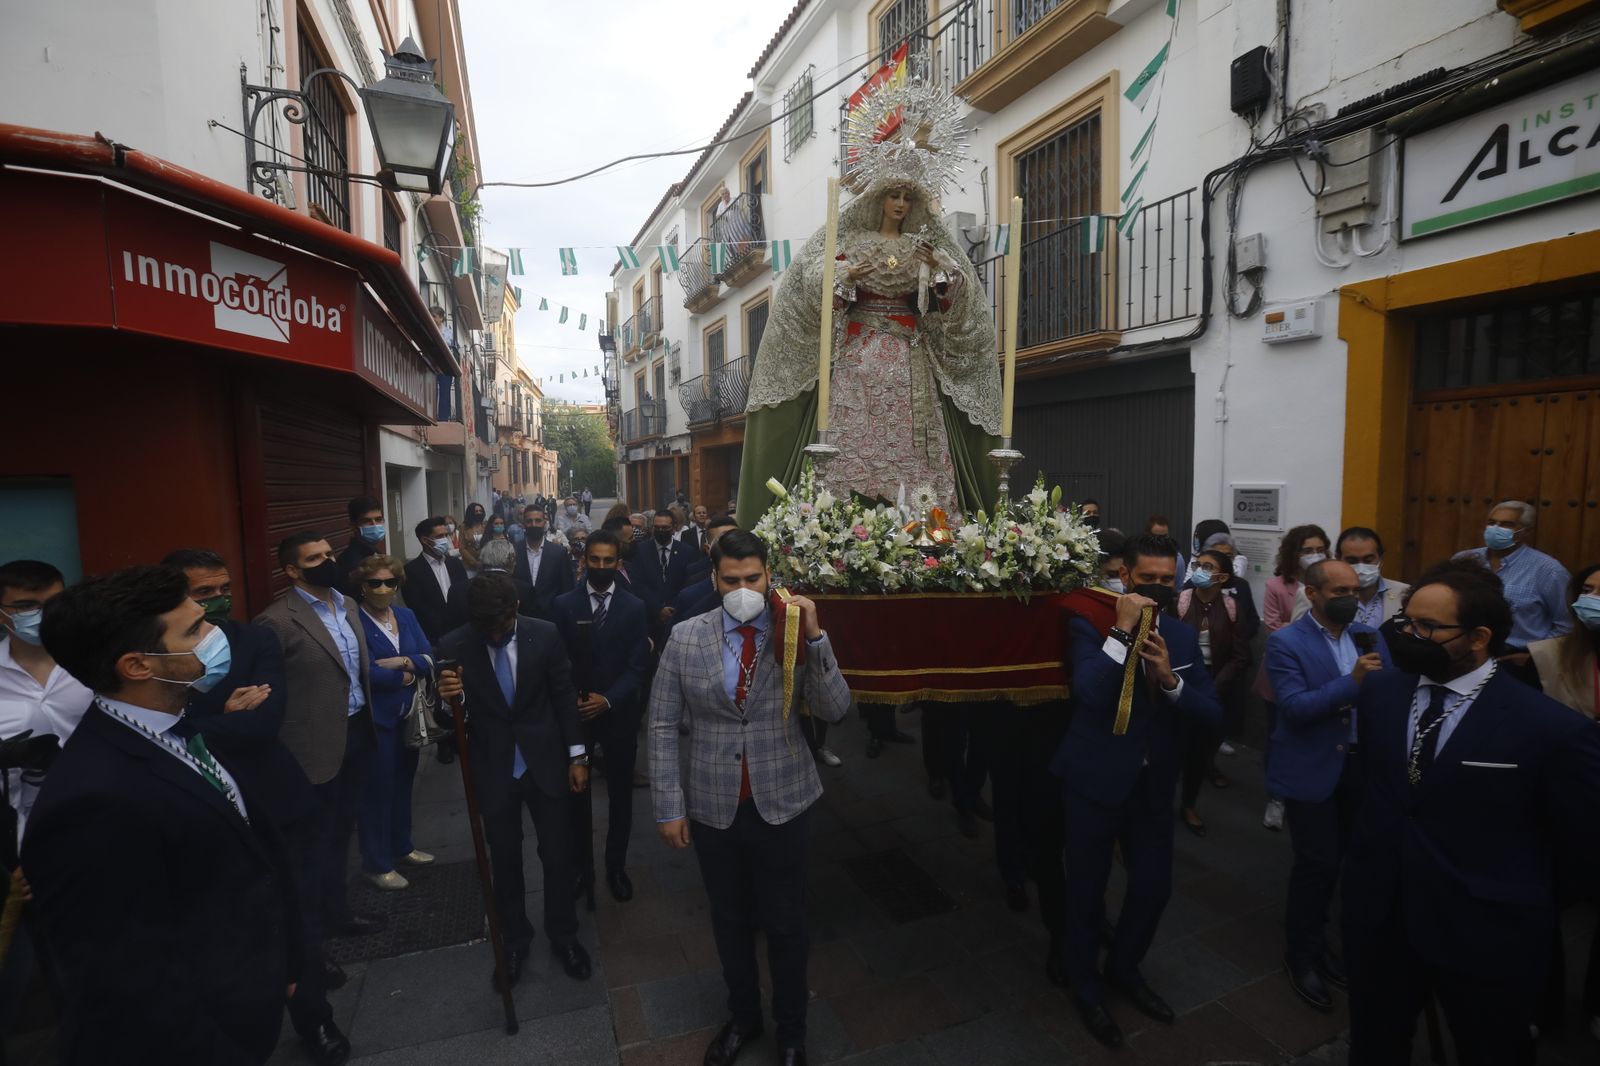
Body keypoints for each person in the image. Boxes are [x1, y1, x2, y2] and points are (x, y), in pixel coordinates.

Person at [25, 565, 297, 1064]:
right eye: (194, 630)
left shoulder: (175, 728)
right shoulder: (92, 803)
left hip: (247, 997)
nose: (215, 631)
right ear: (136, 665)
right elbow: (127, 980)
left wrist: (285, 962)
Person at [1344, 560, 1600, 1064]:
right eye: (1406, 622)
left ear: (1479, 637)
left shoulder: (1548, 727)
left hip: (1484, 934)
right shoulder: (1379, 693)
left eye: (1428, 627)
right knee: (1374, 1044)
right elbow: (1379, 791)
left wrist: (1513, 900)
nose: (1408, 636)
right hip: (1381, 919)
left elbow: (1581, 845)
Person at [735, 73, 1002, 528]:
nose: (900, 203)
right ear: (878, 198)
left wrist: (939, 273)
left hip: (911, 360)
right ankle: (841, 525)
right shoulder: (851, 240)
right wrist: (843, 276)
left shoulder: (926, 245)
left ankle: (929, 524)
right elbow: (812, 283)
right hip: (857, 357)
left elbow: (953, 300)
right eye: (893, 195)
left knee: (915, 440)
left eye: (907, 197)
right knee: (852, 433)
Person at [649, 531, 851, 1066]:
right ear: (714, 580)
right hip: (713, 805)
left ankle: (792, 1033)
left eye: (753, 579)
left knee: (786, 923)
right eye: (732, 580)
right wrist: (669, 805)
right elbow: (662, 723)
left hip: (783, 800)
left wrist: (816, 637)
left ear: (769, 576)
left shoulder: (792, 631)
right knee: (730, 921)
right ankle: (743, 1017)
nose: (743, 589)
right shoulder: (686, 637)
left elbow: (834, 709)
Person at [162, 548, 346, 1065]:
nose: (219, 600)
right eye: (204, 593)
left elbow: (263, 722)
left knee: (300, 910)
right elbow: (154, 731)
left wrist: (194, 722)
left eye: (224, 589)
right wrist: (217, 717)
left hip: (275, 800)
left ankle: (315, 1017)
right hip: (202, 810)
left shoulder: (253, 640)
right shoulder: (153, 652)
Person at [1050, 533, 1222, 1048]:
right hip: (1095, 780)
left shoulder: (1182, 637)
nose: (1159, 587)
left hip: (1152, 787)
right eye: (1148, 578)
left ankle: (1124, 968)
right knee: (1085, 892)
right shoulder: (1089, 623)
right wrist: (1121, 632)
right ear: (1125, 576)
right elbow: (1090, 692)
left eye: (1168, 579)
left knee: (1153, 888)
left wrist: (1170, 681)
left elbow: (1213, 715)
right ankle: (1086, 988)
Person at [435, 573, 593, 984]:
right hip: (494, 767)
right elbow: (447, 720)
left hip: (546, 762)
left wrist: (578, 756)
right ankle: (515, 940)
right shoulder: (454, 646)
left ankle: (564, 935)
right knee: (504, 860)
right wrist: (448, 698)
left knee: (558, 857)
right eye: (484, 627)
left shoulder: (545, 634)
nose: (493, 634)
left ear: (516, 609)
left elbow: (564, 696)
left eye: (501, 625)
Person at [1265, 559, 1390, 1012]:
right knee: (1316, 865)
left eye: (1355, 591)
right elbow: (1296, 709)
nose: (1350, 599)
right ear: (1313, 593)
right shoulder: (1286, 642)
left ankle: (1326, 946)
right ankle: (1301, 955)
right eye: (1340, 591)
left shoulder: (1368, 636)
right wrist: (1352, 682)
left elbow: (1387, 693)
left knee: (1349, 862)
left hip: (1360, 767)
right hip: (1312, 767)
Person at [255, 533, 383, 943]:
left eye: (329, 554)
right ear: (292, 571)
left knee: (343, 830)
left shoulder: (348, 605)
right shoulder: (276, 621)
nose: (329, 562)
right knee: (312, 843)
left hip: (357, 731)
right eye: (315, 559)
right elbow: (271, 693)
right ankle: (309, 937)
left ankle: (337, 912)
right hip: (311, 749)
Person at [550, 531, 650, 904]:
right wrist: (576, 700)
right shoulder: (563, 605)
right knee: (576, 795)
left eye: (609, 561)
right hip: (577, 713)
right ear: (584, 561)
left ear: (618, 563)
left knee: (621, 795)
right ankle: (583, 869)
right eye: (595, 560)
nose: (602, 566)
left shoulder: (634, 607)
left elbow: (638, 666)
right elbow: (557, 662)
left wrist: (607, 700)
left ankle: (615, 867)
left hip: (617, 712)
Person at [1529, 564, 1600, 1040]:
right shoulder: (1549, 655)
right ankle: (1540, 1003)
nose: (1591, 599)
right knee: (1542, 904)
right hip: (1561, 801)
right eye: (1587, 590)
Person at [350, 555, 433, 892]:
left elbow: (428, 656)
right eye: (375, 583)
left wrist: (401, 662)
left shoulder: (406, 615)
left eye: (390, 582)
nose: (383, 589)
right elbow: (365, 670)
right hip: (377, 720)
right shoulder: (354, 621)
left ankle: (402, 846)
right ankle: (376, 863)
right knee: (376, 791)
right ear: (362, 586)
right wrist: (405, 676)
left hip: (409, 716)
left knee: (403, 784)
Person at [0, 561, 90, 842]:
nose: (42, 614)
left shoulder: (97, 662)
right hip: (22, 823)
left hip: (99, 803)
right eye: (26, 606)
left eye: (53, 603)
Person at [1254, 524, 1331, 831]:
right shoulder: (1277, 586)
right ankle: (1276, 797)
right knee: (1278, 736)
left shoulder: (1330, 582)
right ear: (1293, 553)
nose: (1314, 555)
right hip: (1282, 671)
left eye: (1320, 549)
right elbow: (1273, 629)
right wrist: (1301, 622)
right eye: (1307, 550)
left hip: (1320, 671)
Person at [1175, 549, 1252, 837]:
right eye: (1198, 564)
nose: (1199, 570)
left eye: (1208, 567)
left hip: (1214, 682)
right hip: (1181, 681)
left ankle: (1189, 804)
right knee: (1171, 745)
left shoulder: (1232, 607)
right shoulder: (1180, 602)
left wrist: (1214, 687)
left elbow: (1240, 656)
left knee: (1199, 749)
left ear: (1222, 577)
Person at [1452, 501, 1572, 673]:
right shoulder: (1464, 559)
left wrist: (1534, 657)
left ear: (1526, 531)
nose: (1496, 529)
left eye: (1507, 524)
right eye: (1492, 522)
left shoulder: (1548, 570)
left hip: (1514, 660)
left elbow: (1566, 624)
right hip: (1465, 654)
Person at [1291, 526, 1410, 627]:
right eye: (1352, 561)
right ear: (1338, 558)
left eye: (1368, 560)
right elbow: (1297, 638)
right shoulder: (1313, 594)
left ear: (1381, 558)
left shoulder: (1404, 592)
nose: (1361, 566)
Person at [402, 517, 469, 648]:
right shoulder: (412, 570)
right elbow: (417, 606)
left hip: (461, 632)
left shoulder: (455, 563)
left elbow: (465, 593)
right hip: (432, 636)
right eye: (439, 536)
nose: (445, 539)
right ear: (425, 540)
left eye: (446, 535)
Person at [447, 539, 539, 630]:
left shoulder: (457, 591)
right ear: (511, 562)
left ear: (482, 559)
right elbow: (531, 629)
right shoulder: (524, 591)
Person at [632, 510, 691, 642]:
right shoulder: (641, 550)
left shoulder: (686, 551)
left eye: (665, 528)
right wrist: (658, 609)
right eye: (657, 527)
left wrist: (672, 609)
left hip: (677, 617)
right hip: (650, 617)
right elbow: (638, 584)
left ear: (673, 528)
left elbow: (687, 583)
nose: (660, 531)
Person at [514, 504, 576, 617]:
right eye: (529, 521)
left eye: (538, 521)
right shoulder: (513, 551)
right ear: (523, 524)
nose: (534, 525)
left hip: (552, 617)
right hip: (521, 617)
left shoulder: (559, 553)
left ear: (545, 522)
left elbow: (567, 588)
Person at [335, 495, 385, 583]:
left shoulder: (372, 551)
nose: (374, 525)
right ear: (353, 526)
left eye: (378, 519)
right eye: (366, 521)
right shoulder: (351, 562)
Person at [459, 503, 488, 576]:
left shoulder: (486, 525)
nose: (479, 513)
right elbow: (462, 548)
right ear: (471, 512)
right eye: (476, 511)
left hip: (485, 565)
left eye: (480, 511)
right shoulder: (463, 527)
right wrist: (474, 562)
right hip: (469, 566)